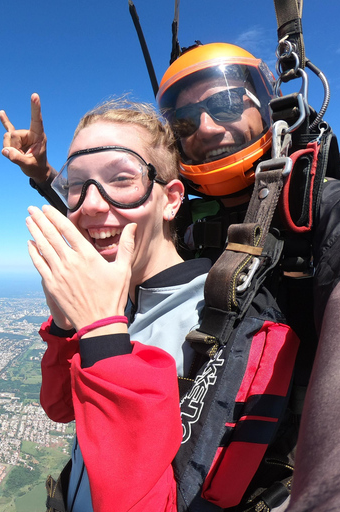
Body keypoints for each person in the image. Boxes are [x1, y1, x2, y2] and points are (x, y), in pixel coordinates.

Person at [4, 43, 340, 511]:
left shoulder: (337, 211)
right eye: (186, 122)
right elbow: (111, 215)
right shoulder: (129, 274)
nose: (207, 127)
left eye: (226, 103)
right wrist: (48, 178)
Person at [26, 98, 214, 511]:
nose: (91, 204)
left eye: (122, 179)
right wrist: (63, 327)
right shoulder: (114, 299)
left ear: (170, 199)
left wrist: (103, 333)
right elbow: (61, 408)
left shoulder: (218, 320)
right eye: (77, 184)